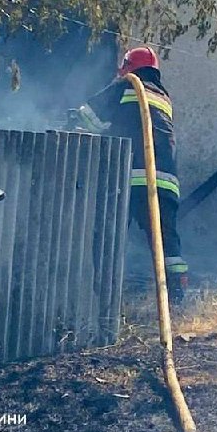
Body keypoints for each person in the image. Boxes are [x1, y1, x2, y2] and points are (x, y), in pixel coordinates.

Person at [76, 46, 188, 303]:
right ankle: (177, 297)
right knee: (166, 241)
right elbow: (136, 127)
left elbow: (86, 117)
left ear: (127, 68)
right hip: (167, 182)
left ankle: (104, 297)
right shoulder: (163, 96)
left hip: (130, 177)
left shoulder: (127, 85)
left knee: (108, 236)